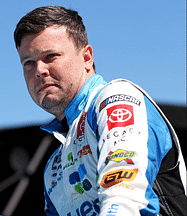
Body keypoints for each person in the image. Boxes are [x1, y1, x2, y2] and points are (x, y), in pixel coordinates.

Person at [14, 5, 187, 216]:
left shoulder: (115, 99)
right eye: (29, 63)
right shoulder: (53, 169)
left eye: (51, 56)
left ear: (87, 58)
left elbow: (124, 200)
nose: (39, 70)